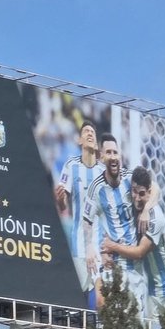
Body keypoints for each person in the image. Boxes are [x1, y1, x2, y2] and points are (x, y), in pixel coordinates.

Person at [83, 133, 156, 317]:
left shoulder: (130, 178)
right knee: (112, 326)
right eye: (109, 152)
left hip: (134, 267)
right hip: (112, 265)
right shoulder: (96, 188)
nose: (113, 156)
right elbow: (87, 220)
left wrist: (146, 208)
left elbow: (155, 188)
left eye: (116, 152)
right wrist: (90, 246)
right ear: (101, 157)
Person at [101, 165, 165, 328]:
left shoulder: (155, 217)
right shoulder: (133, 206)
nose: (137, 198)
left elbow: (139, 253)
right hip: (151, 289)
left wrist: (112, 246)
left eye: (142, 194)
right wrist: (104, 251)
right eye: (134, 192)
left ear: (149, 192)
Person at [54, 120, 101, 293]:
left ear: (95, 143)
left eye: (92, 132)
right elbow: (63, 203)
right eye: (86, 131)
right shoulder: (71, 165)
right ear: (79, 140)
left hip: (101, 243)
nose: (89, 133)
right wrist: (60, 199)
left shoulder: (103, 172)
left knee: (101, 295)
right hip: (79, 242)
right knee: (80, 294)